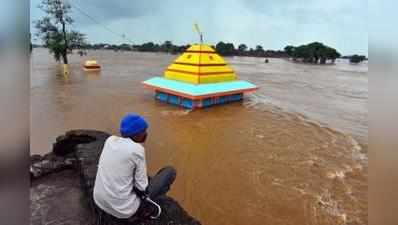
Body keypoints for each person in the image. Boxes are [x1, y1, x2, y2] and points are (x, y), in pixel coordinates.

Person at [93, 113, 176, 222]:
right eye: (144, 131)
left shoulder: (110, 140)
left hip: (99, 200)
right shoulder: (137, 150)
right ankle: (147, 208)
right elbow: (142, 188)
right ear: (137, 134)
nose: (146, 134)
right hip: (123, 210)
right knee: (169, 172)